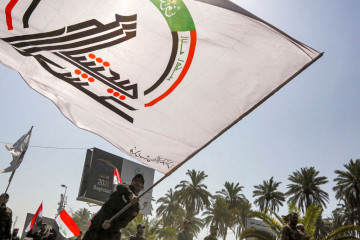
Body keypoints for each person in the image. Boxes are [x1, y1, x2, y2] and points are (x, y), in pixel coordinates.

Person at [83, 174, 145, 240]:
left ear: (142, 187)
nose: (137, 182)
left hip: (110, 234)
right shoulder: (123, 188)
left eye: (140, 182)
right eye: (135, 180)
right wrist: (131, 195)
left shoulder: (136, 207)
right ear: (131, 182)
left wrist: (111, 225)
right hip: (96, 227)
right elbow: (120, 186)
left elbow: (124, 222)